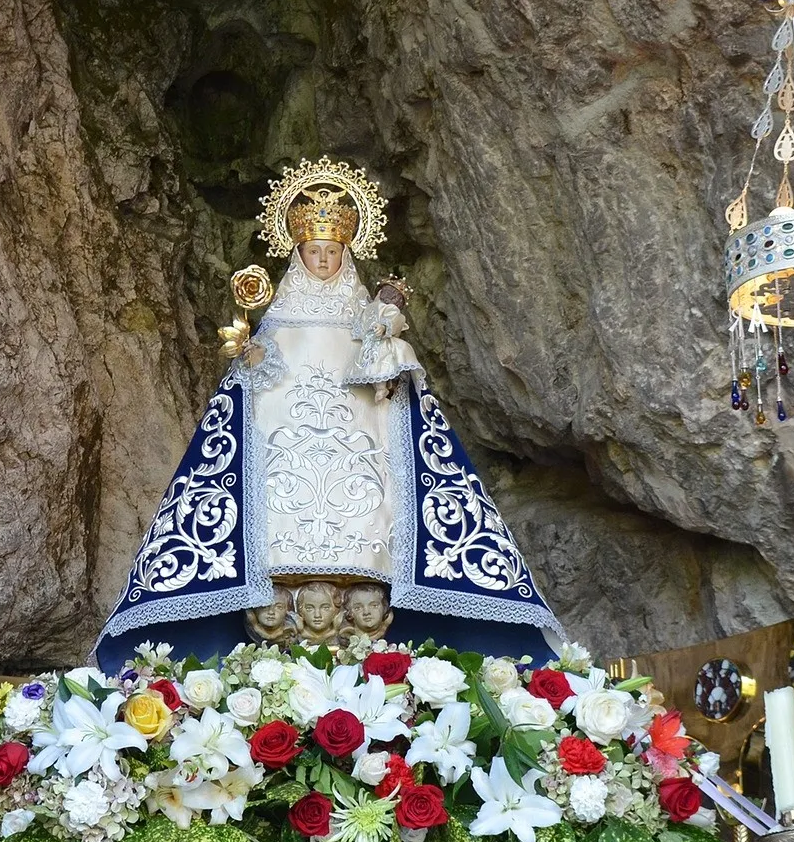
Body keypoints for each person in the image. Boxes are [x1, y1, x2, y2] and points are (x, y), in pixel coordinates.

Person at [91, 158, 562, 671]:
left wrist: (386, 356)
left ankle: (364, 614)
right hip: (284, 464)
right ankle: (279, 615)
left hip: (360, 459)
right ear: (298, 251)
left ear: (346, 252)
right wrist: (251, 354)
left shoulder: (367, 317)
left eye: (331, 251)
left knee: (377, 522)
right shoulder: (278, 316)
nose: (321, 260)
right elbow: (261, 379)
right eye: (313, 251)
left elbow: (391, 385)